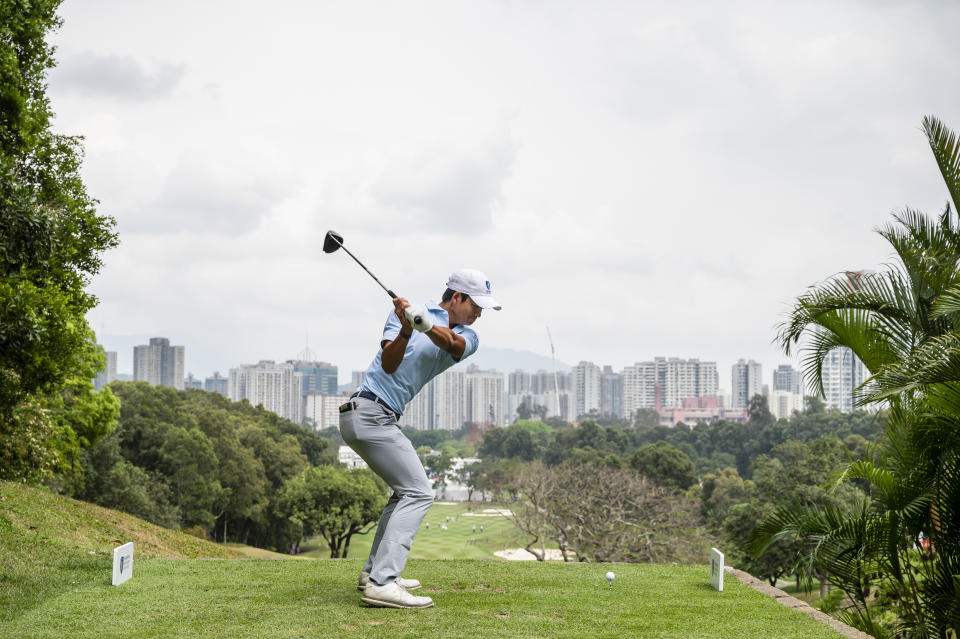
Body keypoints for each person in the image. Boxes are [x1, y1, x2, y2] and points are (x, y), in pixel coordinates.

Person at [339, 268, 501, 609]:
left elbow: (452, 344)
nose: (479, 314)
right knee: (419, 492)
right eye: (475, 305)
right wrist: (405, 328)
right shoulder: (407, 314)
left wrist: (424, 326)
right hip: (367, 412)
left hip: (378, 417)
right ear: (456, 297)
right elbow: (388, 364)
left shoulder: (468, 336)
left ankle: (372, 574)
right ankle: (383, 583)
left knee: (404, 493)